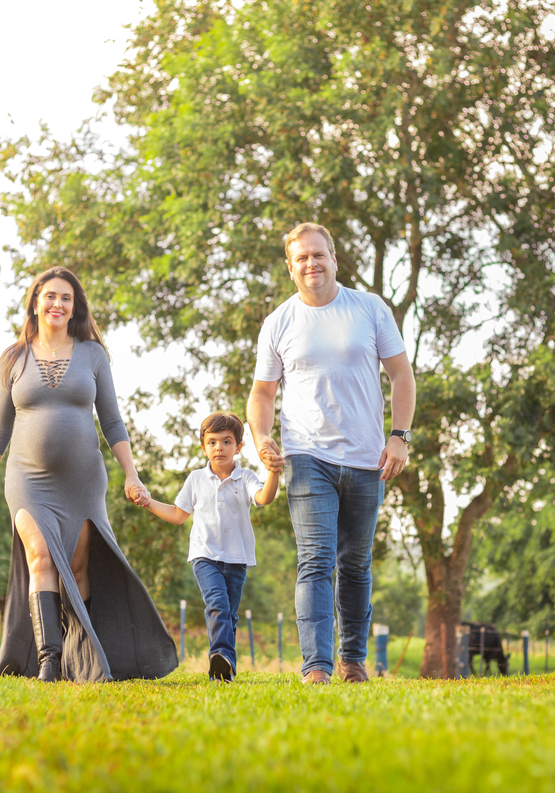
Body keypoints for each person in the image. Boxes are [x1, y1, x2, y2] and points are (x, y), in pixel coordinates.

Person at [0, 266, 178, 683]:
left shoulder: (93, 355)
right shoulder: (13, 358)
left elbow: (113, 422)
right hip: (27, 479)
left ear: (75, 307)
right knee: (41, 556)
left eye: (66, 298)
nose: (57, 304)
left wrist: (132, 475)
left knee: (79, 567)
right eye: (50, 296)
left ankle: (77, 655)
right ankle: (49, 660)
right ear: (35, 302)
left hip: (83, 482)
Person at [247, 223, 416, 685]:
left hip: (366, 458)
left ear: (335, 259)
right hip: (306, 456)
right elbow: (261, 395)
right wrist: (262, 438)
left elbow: (402, 375)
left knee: (355, 564)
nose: (311, 264)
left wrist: (399, 435)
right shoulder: (279, 322)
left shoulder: (369, 309)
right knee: (316, 559)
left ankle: (353, 661)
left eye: (318, 255)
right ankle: (316, 667)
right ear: (290, 267)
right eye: (301, 258)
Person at [142, 412, 280, 682]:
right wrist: (148, 501)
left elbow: (264, 497)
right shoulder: (195, 479)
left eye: (227, 442)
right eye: (213, 442)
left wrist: (273, 472)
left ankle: (225, 668)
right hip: (205, 556)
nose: (219, 447)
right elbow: (178, 515)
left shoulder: (246, 477)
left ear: (238, 447)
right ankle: (221, 655)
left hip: (237, 559)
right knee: (217, 604)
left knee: (229, 613)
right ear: (204, 447)